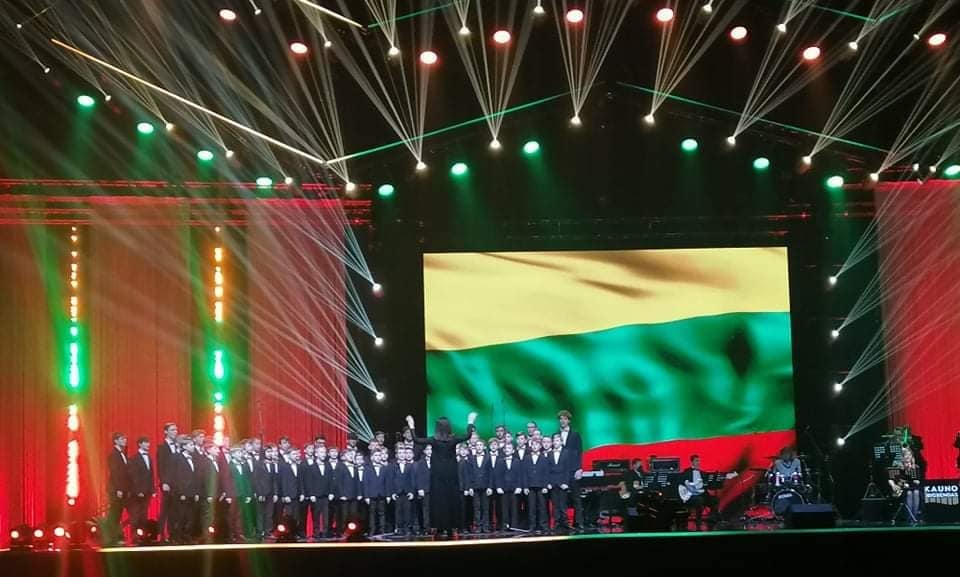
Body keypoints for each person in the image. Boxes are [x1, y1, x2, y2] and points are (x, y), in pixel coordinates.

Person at [405, 412, 477, 537]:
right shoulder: (453, 439)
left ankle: (439, 527)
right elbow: (468, 436)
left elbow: (416, 440)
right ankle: (451, 527)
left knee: (438, 501)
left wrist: (411, 425)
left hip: (437, 475)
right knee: (451, 500)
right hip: (451, 475)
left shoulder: (434, 440)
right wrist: (470, 421)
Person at [557, 410, 584, 529]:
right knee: (561, 498)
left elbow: (579, 452)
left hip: (573, 470)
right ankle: (563, 522)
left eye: (565, 419)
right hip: (561, 471)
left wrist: (579, 468)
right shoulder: (556, 435)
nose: (562, 421)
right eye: (561, 419)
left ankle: (578, 522)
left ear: (569, 420)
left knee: (576, 497)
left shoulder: (575, 435)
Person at [681, 455, 718, 530]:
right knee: (699, 500)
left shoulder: (703, 473)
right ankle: (698, 521)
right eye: (696, 461)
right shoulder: (686, 472)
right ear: (692, 462)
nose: (698, 462)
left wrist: (714, 480)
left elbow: (708, 485)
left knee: (715, 500)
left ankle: (712, 520)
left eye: (699, 461)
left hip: (703, 494)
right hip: (691, 495)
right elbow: (684, 484)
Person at [106, 432, 131, 545]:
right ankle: (111, 538)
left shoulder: (123, 454)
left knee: (118, 513)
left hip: (123, 489)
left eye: (125, 438)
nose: (124, 440)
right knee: (114, 514)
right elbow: (115, 473)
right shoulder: (113, 455)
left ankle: (116, 536)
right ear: (115, 441)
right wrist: (119, 489)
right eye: (122, 439)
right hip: (116, 489)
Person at [127, 436, 155, 534]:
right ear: (139, 444)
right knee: (136, 514)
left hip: (147, 491)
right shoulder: (134, 458)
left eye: (148, 442)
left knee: (144, 513)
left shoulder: (149, 457)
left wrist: (152, 489)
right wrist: (138, 490)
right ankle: (134, 536)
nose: (148, 444)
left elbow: (151, 475)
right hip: (137, 492)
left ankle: (143, 535)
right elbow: (134, 476)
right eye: (145, 442)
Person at [157, 422, 179, 541]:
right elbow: (161, 466)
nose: (175, 432)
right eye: (172, 430)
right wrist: (164, 482)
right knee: (164, 509)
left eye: (176, 430)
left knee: (174, 510)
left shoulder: (177, 446)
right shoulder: (162, 447)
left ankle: (172, 534)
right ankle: (160, 534)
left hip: (177, 483)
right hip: (167, 483)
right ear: (166, 432)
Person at [495, 442, 522, 530]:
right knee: (504, 508)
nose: (507, 450)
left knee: (514, 508)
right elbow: (497, 475)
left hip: (514, 488)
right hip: (503, 488)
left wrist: (519, 486)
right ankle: (505, 525)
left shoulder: (517, 461)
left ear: (513, 450)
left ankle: (514, 526)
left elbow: (520, 475)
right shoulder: (499, 461)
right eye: (506, 448)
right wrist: (498, 487)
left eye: (509, 448)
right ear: (503, 450)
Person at [413, 445, 432, 535]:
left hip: (435, 490)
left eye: (431, 449)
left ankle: (436, 527)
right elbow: (419, 476)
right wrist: (420, 488)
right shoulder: (420, 463)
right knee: (426, 509)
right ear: (424, 451)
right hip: (425, 489)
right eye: (427, 449)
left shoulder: (437, 461)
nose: (429, 451)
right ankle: (426, 528)